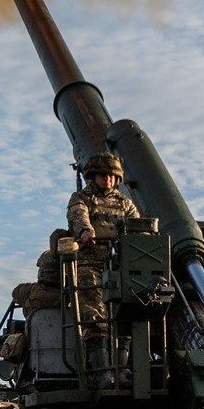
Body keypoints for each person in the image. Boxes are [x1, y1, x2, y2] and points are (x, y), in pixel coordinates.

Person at [65, 152, 140, 379]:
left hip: (118, 266)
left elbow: (137, 227)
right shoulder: (82, 198)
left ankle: (122, 369)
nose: (107, 179)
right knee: (93, 308)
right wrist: (85, 231)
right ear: (93, 176)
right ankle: (102, 371)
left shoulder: (125, 204)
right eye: (102, 175)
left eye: (111, 175)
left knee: (126, 311)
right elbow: (78, 216)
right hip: (91, 262)